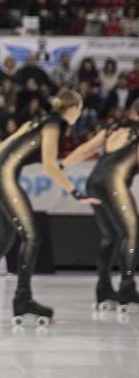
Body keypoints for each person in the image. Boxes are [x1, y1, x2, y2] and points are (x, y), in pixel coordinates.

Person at [0, 90, 101, 326]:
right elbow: (50, 165)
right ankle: (23, 299)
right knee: (32, 236)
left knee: (6, 238)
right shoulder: (54, 126)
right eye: (78, 110)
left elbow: (2, 146)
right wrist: (75, 192)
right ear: (71, 109)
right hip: (5, 178)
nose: (79, 115)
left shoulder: (36, 121)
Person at [60, 100, 139, 311]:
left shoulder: (113, 129)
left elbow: (85, 150)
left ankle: (103, 289)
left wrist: (60, 166)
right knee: (131, 233)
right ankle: (127, 287)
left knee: (111, 236)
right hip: (115, 183)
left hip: (94, 181)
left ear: (132, 112)